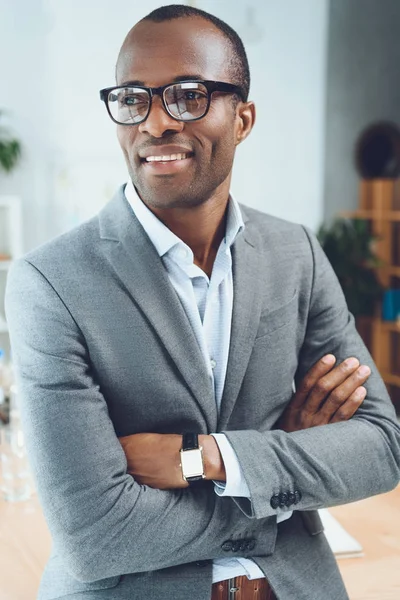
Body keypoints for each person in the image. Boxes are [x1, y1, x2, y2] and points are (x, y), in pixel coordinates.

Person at [5, 5, 400, 600]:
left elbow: (381, 448)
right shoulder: (50, 282)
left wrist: (207, 459)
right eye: (134, 99)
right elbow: (96, 535)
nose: (156, 122)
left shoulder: (296, 252)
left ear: (242, 119)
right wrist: (280, 468)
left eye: (188, 96)